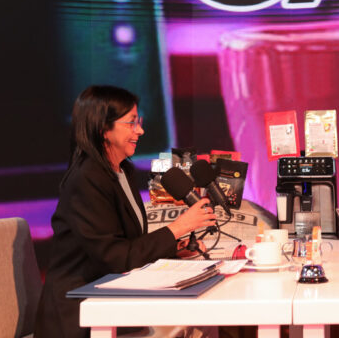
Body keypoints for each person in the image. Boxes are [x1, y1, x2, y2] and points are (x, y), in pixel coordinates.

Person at [35, 85, 217, 338]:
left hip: (113, 298)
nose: (140, 131)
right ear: (103, 128)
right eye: (131, 123)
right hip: (81, 311)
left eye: (138, 122)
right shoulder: (86, 179)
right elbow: (115, 257)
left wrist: (174, 248)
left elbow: (128, 246)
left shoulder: (123, 171)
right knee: (190, 323)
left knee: (199, 322)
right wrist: (179, 227)